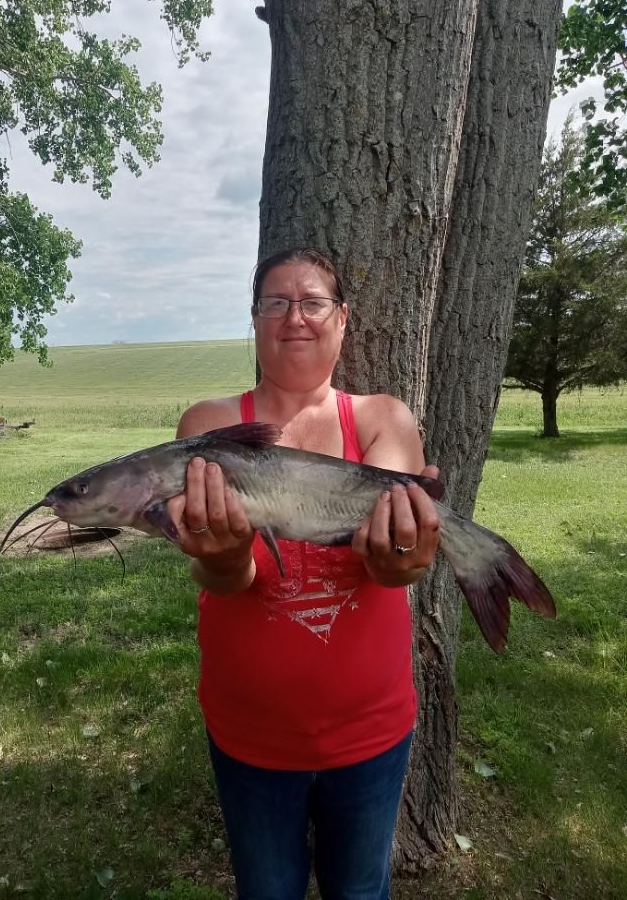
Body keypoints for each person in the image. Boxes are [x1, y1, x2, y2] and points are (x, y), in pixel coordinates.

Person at [165, 247, 441, 900]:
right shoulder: (209, 428)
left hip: (370, 734)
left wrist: (403, 555)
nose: (295, 317)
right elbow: (226, 581)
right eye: (275, 302)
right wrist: (225, 557)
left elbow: (393, 568)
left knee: (360, 892)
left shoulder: (382, 419)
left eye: (313, 301)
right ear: (254, 320)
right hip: (250, 737)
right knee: (267, 891)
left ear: (342, 320)